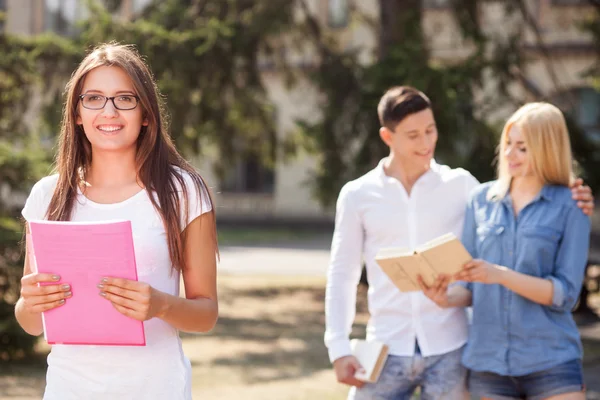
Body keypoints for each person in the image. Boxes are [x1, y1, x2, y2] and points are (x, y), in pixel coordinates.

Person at [324, 87, 594, 400]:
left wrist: (574, 192)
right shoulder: (358, 195)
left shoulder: (463, 186)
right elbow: (342, 273)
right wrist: (339, 346)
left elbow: (518, 204)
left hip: (451, 349)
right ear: (388, 136)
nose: (425, 143)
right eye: (413, 135)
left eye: (430, 130)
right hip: (386, 345)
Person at [14, 43, 218, 400]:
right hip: (68, 389)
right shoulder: (48, 195)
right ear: (77, 113)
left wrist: (160, 305)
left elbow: (207, 314)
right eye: (93, 98)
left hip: (158, 390)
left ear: (146, 114)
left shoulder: (183, 191)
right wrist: (30, 303)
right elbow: (31, 324)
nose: (108, 111)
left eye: (125, 98)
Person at [421, 102, 590, 400]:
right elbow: (470, 284)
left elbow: (565, 295)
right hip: (489, 366)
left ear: (546, 149)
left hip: (551, 361)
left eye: (522, 148)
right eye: (508, 144)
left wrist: (500, 275)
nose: (510, 154)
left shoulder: (572, 205)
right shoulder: (480, 201)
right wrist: (446, 298)